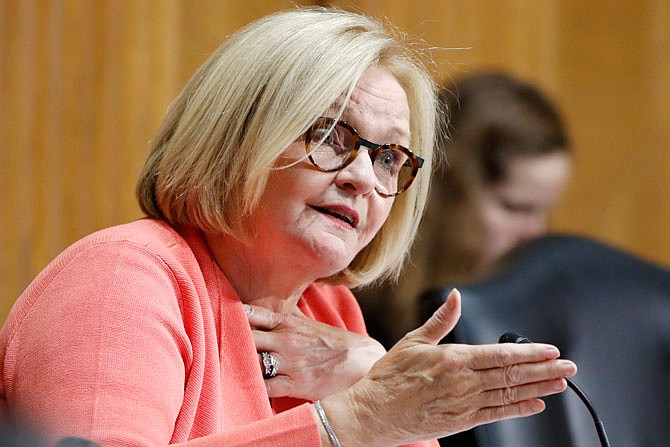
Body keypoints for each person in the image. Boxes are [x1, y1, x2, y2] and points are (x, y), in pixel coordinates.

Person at [0, 8, 576, 447]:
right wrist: (350, 421)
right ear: (235, 136)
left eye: (387, 158)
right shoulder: (123, 281)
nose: (361, 178)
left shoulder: (331, 316)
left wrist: (372, 371)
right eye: (330, 136)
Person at [358, 72, 573, 347]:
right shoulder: (360, 305)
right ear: (448, 194)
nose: (536, 233)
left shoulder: (543, 314)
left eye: (544, 212)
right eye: (516, 208)